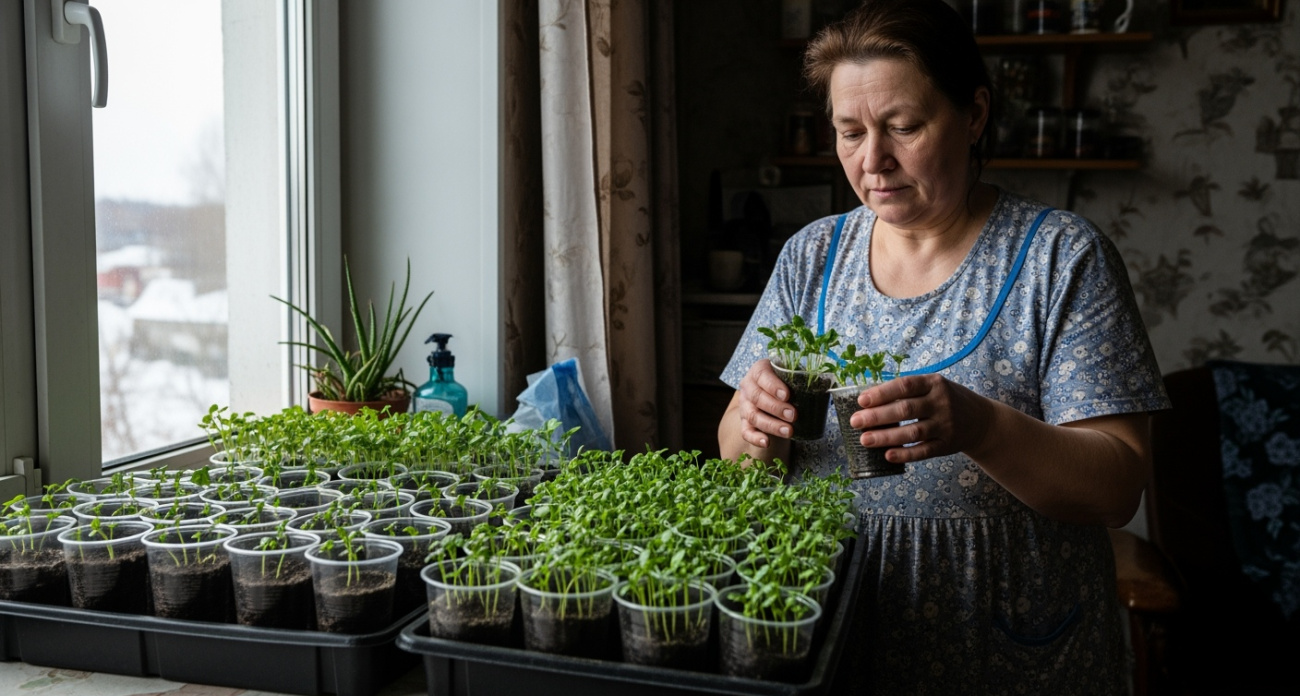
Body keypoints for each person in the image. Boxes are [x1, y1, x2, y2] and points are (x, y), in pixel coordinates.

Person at [716, 1, 1170, 693]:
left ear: (975, 114)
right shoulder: (812, 257)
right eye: (849, 132)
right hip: (832, 633)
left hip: (1005, 646)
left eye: (904, 126)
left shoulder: (1061, 258)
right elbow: (740, 457)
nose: (873, 160)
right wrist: (751, 424)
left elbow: (1116, 487)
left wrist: (982, 426)